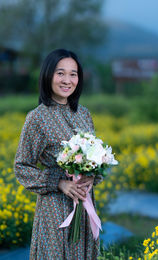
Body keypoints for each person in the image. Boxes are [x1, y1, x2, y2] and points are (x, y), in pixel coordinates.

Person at [14, 49, 103, 260]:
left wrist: (92, 175)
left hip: (84, 202)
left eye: (73, 74)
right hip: (55, 208)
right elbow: (22, 166)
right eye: (60, 73)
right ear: (48, 76)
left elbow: (94, 158)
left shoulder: (84, 114)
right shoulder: (37, 118)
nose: (67, 80)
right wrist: (60, 183)